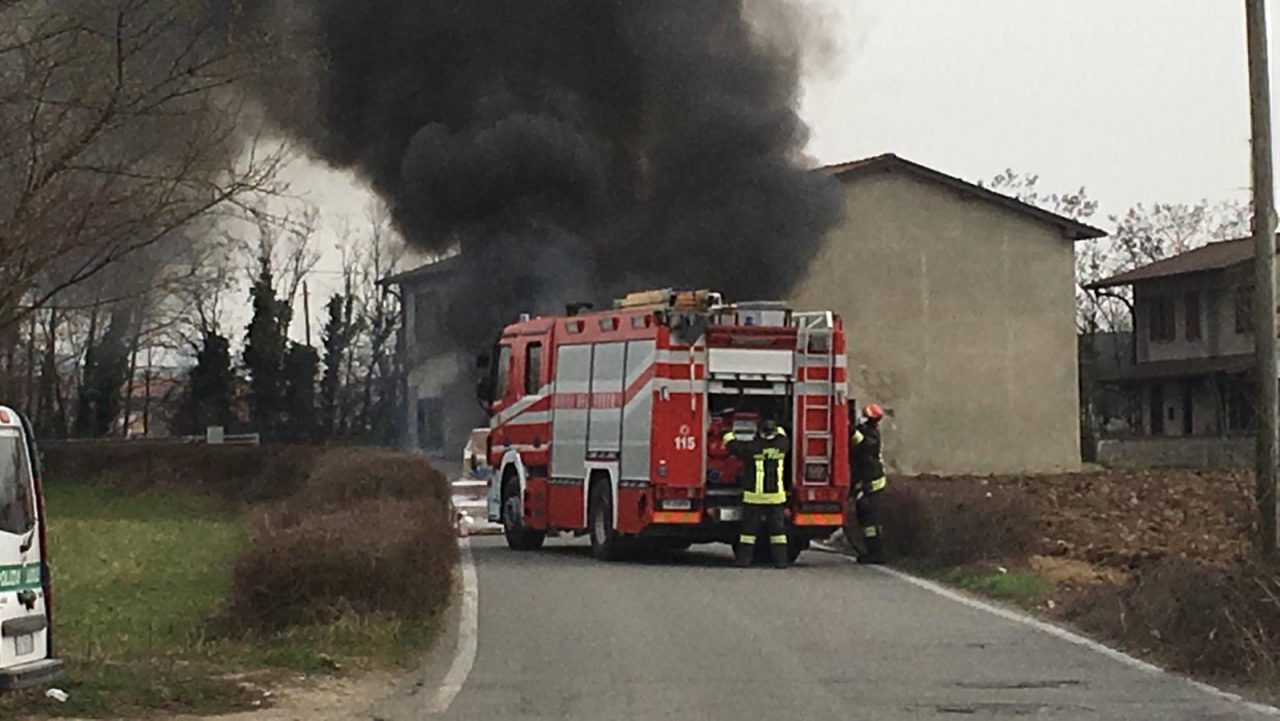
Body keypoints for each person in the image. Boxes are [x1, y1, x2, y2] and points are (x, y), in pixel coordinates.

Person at [723, 417, 791, 568]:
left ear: (759, 432)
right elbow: (783, 434)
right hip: (775, 498)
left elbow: (732, 446)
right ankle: (781, 562)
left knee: (748, 533)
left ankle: (743, 561)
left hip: (754, 498)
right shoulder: (782, 445)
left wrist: (727, 432)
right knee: (778, 533)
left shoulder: (751, 448)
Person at [850, 403, 888, 564]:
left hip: (872, 483)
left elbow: (862, 445)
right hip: (868, 482)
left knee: (870, 520)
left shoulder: (871, 435)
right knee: (866, 520)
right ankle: (873, 552)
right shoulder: (869, 430)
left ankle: (876, 554)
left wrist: (850, 430)